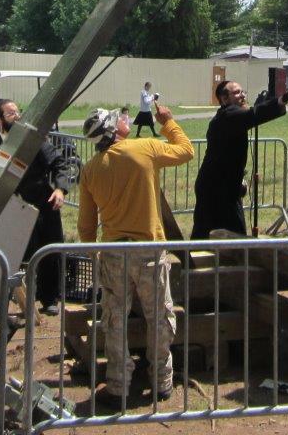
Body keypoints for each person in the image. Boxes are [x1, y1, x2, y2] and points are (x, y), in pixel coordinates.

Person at [78, 104, 194, 408]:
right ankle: (162, 381)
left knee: (115, 320)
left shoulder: (90, 169)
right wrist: (168, 122)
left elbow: (86, 225)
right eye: (120, 118)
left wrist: (94, 255)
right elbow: (186, 151)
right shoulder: (144, 148)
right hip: (149, 251)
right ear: (113, 129)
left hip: (114, 253)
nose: (125, 119)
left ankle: (118, 384)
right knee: (160, 317)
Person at [0, 99, 71, 314]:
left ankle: (49, 299)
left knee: (49, 251)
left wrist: (60, 189)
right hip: (9, 208)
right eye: (11, 114)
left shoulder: (33, 140)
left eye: (18, 112)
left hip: (42, 204)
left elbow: (59, 163)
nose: (18, 117)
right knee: (6, 255)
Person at [190, 80, 287, 239]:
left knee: (214, 234)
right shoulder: (228, 115)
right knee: (224, 235)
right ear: (224, 99)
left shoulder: (229, 116)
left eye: (243, 92)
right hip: (216, 189)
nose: (242, 96)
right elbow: (253, 115)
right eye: (236, 93)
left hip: (223, 187)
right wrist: (280, 101)